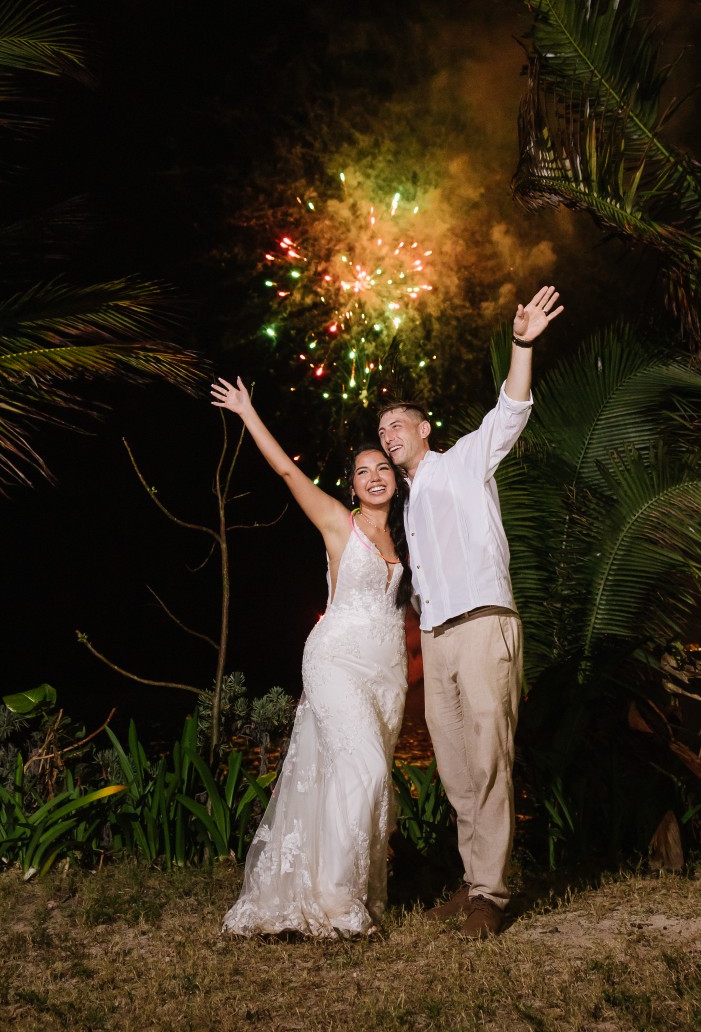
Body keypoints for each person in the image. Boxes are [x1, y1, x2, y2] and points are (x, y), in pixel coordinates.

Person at [377, 284, 564, 938]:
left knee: (488, 758)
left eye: (397, 424)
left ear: (423, 429)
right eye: (380, 432)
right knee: (456, 767)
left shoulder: (463, 463)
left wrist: (521, 343)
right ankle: (473, 879)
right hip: (439, 638)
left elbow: (511, 408)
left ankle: (493, 893)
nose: (388, 435)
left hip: (484, 626)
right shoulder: (406, 506)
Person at [211, 376, 411, 938]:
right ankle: (333, 894)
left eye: (383, 469)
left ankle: (335, 884)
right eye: (363, 471)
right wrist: (248, 413)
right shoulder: (338, 525)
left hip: (386, 674)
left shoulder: (407, 537)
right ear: (351, 485)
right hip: (337, 662)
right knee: (364, 767)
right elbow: (287, 472)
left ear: (396, 479)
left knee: (346, 774)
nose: (374, 477)